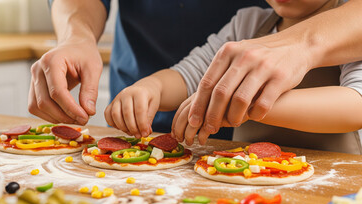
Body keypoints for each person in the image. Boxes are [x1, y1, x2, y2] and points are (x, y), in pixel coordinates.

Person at [29, 0, 362, 140]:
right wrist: (152, 89)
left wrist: (250, 105)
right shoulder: (248, 22)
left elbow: (355, 103)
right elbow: (190, 75)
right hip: (247, 176)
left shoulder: (348, 27)